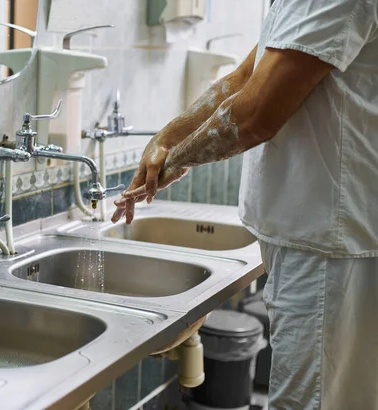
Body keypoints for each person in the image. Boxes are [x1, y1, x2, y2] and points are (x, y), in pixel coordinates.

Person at [112, 0, 378, 408]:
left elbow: (256, 114)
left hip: (329, 247)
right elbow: (243, 77)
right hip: (318, 237)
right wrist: (166, 139)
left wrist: (175, 159)